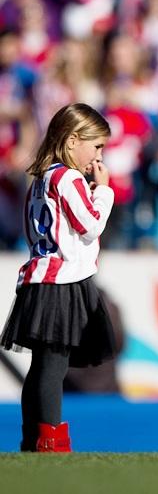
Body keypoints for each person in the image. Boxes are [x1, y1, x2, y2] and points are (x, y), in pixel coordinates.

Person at [0, 103, 116, 452]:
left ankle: (32, 437)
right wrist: (104, 190)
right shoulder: (66, 177)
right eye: (95, 146)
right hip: (60, 279)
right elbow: (89, 225)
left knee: (43, 365)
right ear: (71, 140)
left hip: (43, 276)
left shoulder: (42, 178)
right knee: (53, 365)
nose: (97, 157)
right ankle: (50, 438)